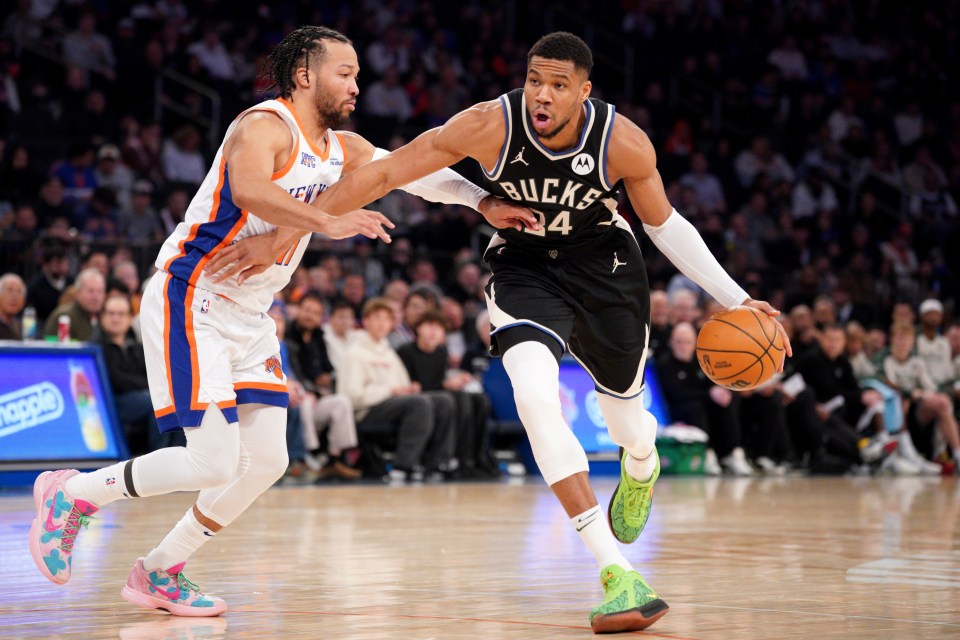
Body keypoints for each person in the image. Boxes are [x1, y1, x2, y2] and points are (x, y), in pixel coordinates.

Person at [209, 32, 790, 632]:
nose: (542, 94)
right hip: (524, 267)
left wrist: (740, 299)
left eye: (559, 85)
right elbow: (387, 172)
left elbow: (665, 226)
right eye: (535, 79)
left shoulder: (623, 143)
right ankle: (617, 573)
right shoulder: (491, 124)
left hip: (607, 269)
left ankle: (641, 462)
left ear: (584, 92)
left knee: (628, 421)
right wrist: (283, 236)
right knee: (536, 399)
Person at [27, 26, 530, 617]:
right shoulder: (263, 125)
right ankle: (73, 494)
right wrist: (327, 220)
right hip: (193, 294)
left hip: (251, 313)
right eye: (345, 72)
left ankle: (159, 569)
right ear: (305, 75)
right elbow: (250, 189)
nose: (356, 84)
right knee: (212, 460)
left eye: (359, 74)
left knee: (267, 459)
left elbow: (412, 172)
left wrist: (483, 203)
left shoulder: (343, 147)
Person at [338, 297, 455, 481]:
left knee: (443, 400)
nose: (382, 323)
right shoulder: (355, 353)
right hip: (365, 411)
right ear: (366, 320)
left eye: (386, 319)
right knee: (419, 403)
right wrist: (391, 391)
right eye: (377, 317)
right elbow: (352, 397)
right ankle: (403, 465)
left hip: (393, 405)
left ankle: (436, 464)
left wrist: (409, 389)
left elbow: (402, 386)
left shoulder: (389, 352)